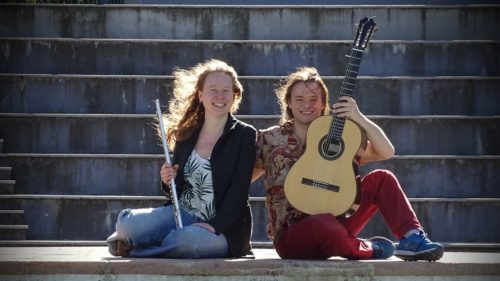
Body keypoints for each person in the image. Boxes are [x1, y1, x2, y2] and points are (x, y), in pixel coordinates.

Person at [252, 66, 444, 261]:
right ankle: (368, 249)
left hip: (338, 220)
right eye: (299, 99)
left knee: (382, 178)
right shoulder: (270, 139)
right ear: (289, 103)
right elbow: (244, 178)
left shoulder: (337, 139)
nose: (306, 105)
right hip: (293, 236)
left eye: (313, 99)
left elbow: (386, 151)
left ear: (323, 104)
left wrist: (357, 116)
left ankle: (413, 238)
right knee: (323, 223)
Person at [106, 59, 257, 258]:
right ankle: (150, 240)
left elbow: (239, 191)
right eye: (213, 90)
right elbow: (174, 191)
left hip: (222, 227)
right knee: (126, 224)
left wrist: (214, 225)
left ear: (234, 95)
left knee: (186, 241)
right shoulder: (186, 133)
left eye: (226, 90)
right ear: (201, 95)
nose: (220, 96)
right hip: (183, 213)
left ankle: (137, 250)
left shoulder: (245, 134)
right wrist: (167, 179)